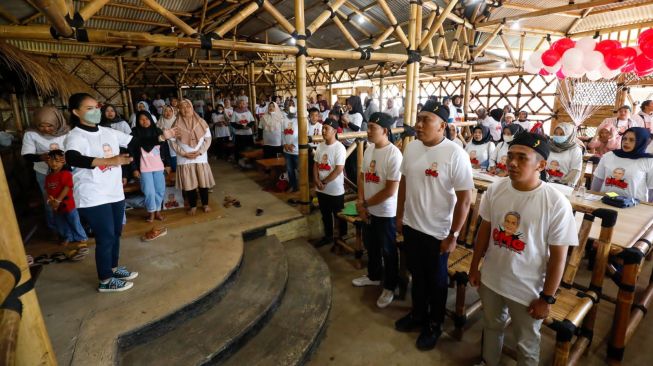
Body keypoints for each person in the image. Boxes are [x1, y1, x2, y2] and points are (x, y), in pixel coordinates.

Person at [468, 132, 578, 366]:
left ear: (541, 164)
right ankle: (489, 362)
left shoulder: (555, 203)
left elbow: (559, 257)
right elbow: (484, 231)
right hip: (492, 279)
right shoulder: (496, 189)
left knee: (526, 342)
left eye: (522, 157)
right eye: (510, 156)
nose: (512, 163)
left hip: (527, 289)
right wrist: (475, 266)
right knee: (491, 326)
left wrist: (547, 298)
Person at [65, 93, 172, 292]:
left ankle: (112, 268)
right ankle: (105, 281)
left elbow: (136, 142)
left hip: (114, 192)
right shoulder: (75, 136)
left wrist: (161, 137)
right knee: (105, 237)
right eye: (89, 108)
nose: (95, 111)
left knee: (115, 233)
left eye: (96, 106)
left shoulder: (108, 132)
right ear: (75, 112)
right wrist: (111, 161)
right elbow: (73, 158)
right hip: (93, 195)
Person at [394, 100, 473, 350]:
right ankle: (418, 315)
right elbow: (404, 182)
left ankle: (435, 324)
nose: (418, 125)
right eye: (418, 119)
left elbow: (465, 199)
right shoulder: (412, 148)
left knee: (436, 282)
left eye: (425, 120)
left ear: (442, 125)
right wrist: (399, 216)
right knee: (417, 275)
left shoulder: (455, 154)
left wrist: (454, 235)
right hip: (412, 225)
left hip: (438, 232)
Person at [352, 112, 403, 309]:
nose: (368, 130)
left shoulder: (394, 154)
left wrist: (366, 204)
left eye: (373, 127)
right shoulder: (369, 149)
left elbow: (391, 190)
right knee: (371, 244)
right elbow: (363, 176)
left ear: (385, 131)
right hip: (369, 208)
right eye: (369, 126)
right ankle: (374, 276)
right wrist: (360, 200)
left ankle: (390, 285)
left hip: (386, 212)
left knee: (388, 250)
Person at [22, 105, 70, 233]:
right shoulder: (31, 134)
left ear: (57, 122)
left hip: (66, 172)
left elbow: (75, 151)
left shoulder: (67, 132)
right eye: (41, 126)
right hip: (44, 173)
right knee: (50, 200)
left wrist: (67, 159)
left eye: (50, 126)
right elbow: (27, 155)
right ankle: (55, 229)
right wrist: (40, 157)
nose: (45, 129)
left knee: (70, 199)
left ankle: (74, 227)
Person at [170, 99, 215, 214]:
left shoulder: (201, 122)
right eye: (182, 107)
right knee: (189, 185)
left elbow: (208, 139)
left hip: (200, 158)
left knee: (203, 183)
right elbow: (172, 142)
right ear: (179, 109)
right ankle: (193, 206)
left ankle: (205, 205)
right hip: (184, 159)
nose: (185, 109)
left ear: (192, 107)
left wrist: (200, 152)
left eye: (188, 106)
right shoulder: (175, 124)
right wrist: (184, 153)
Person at [591, 127, 653, 202]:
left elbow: (651, 189)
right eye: (624, 139)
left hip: (633, 207)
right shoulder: (609, 156)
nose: (626, 142)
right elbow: (598, 180)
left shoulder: (648, 161)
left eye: (632, 140)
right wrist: (592, 199)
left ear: (641, 141)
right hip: (605, 202)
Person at [130, 111, 171, 222]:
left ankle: (157, 211)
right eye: (141, 119)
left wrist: (167, 164)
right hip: (144, 169)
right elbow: (131, 153)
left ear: (151, 119)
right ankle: (151, 212)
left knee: (160, 190)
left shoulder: (158, 132)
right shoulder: (134, 134)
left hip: (158, 167)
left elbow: (165, 149)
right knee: (148, 191)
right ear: (137, 121)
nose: (145, 121)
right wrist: (134, 168)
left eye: (147, 119)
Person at [313, 118, 347, 247]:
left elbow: (339, 169)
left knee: (339, 215)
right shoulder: (321, 146)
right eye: (323, 128)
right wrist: (316, 180)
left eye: (326, 128)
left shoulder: (340, 148)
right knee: (325, 215)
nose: (323, 130)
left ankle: (342, 237)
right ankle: (328, 236)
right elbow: (316, 164)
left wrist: (324, 182)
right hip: (321, 188)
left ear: (334, 131)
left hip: (335, 190)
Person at [45, 149, 87, 245]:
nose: (53, 163)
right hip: (56, 205)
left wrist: (58, 200)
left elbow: (67, 188)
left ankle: (81, 236)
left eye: (56, 160)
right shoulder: (48, 177)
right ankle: (67, 237)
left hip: (68, 204)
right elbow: (48, 191)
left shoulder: (65, 174)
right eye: (51, 160)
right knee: (61, 223)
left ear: (63, 161)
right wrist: (51, 202)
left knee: (74, 221)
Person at [341, 95, 365, 180]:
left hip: (354, 143)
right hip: (345, 142)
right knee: (346, 165)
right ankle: (350, 184)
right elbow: (343, 125)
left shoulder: (358, 115)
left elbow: (356, 128)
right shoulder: (347, 112)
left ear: (355, 104)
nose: (348, 106)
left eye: (350, 104)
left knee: (353, 166)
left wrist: (347, 121)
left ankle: (356, 185)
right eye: (347, 104)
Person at [157, 105, 178, 171]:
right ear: (163, 112)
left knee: (176, 167)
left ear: (173, 112)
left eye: (170, 111)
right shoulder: (159, 123)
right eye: (165, 111)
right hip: (164, 149)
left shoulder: (177, 121)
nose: (168, 113)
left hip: (176, 148)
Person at [283, 110, 299, 192]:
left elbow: (303, 133)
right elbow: (282, 133)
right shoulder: (284, 120)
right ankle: (293, 186)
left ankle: (301, 187)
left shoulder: (301, 119)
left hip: (297, 150)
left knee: (299, 169)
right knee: (289, 169)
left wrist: (294, 145)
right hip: (287, 150)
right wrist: (285, 144)